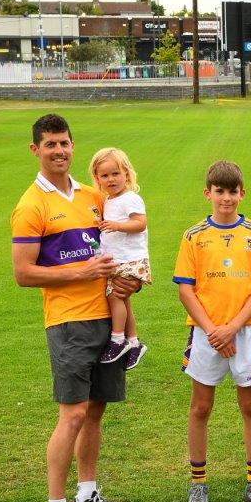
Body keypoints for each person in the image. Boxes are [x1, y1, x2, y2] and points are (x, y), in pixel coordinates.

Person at [12, 113, 137, 502]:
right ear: (35, 150)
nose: (59, 151)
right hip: (68, 321)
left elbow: (116, 248)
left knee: (97, 409)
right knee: (73, 414)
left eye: (64, 143)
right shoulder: (31, 206)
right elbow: (24, 274)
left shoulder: (92, 196)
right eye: (50, 145)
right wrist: (84, 271)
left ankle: (87, 494)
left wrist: (126, 280)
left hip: (105, 316)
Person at [173, 160, 251, 502]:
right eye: (219, 191)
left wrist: (232, 327)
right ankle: (198, 485)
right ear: (208, 193)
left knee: (250, 405)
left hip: (245, 332)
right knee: (201, 406)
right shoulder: (193, 236)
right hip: (205, 333)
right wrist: (214, 331)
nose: (226, 198)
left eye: (232, 191)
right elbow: (186, 290)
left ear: (242, 193)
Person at [88, 147, 152, 370]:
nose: (111, 179)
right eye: (104, 176)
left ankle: (118, 339)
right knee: (123, 300)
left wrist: (116, 225)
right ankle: (134, 342)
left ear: (126, 173)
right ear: (97, 179)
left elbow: (140, 224)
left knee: (115, 296)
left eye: (115, 173)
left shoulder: (130, 198)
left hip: (131, 260)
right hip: (120, 260)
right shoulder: (110, 200)